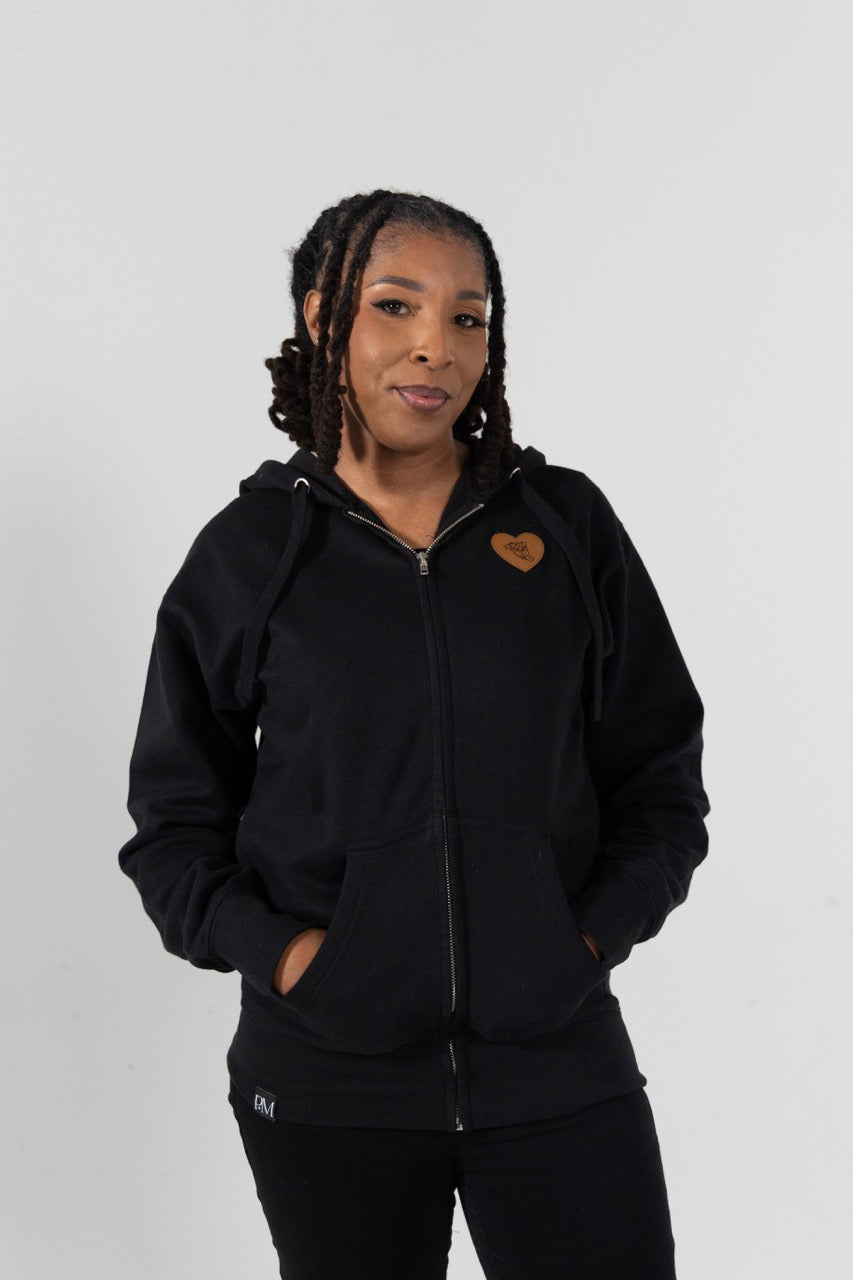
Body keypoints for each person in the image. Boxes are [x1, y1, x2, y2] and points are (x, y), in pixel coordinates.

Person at [117, 189, 710, 1279]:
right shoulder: (249, 555)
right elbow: (173, 828)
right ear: (322, 317)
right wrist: (296, 960)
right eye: (395, 305)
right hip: (327, 1080)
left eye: (468, 317)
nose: (436, 345)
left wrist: (580, 940)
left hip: (556, 1063)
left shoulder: (564, 526)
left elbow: (659, 774)